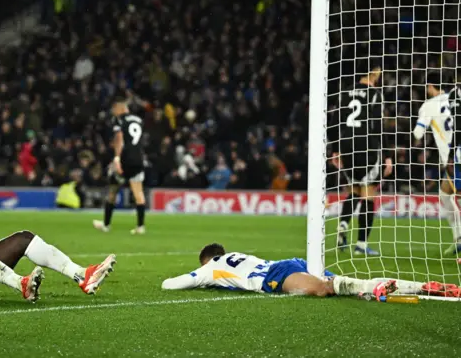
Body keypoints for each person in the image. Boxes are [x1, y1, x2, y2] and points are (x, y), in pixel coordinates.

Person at [161, 243, 460, 299]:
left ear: (208, 260)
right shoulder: (233, 257)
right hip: (291, 264)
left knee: (324, 289)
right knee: (343, 286)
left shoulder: (211, 268)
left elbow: (171, 285)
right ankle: (421, 286)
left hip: (276, 277)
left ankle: (410, 287)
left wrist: (198, 279)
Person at [328, 67, 392, 255]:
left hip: (347, 147)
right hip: (367, 147)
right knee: (368, 194)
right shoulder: (375, 94)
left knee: (354, 190)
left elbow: (334, 124)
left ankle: (343, 223)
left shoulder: (345, 93)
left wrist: (335, 150)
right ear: (373, 72)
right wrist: (387, 155)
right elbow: (377, 125)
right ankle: (361, 245)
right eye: (379, 70)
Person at [413, 75, 461, 255]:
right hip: (455, 156)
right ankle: (458, 237)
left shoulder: (428, 105)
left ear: (430, 86)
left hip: (454, 157)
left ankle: (459, 236)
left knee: (451, 195)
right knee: (445, 193)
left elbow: (418, 133)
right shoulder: (454, 98)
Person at [93, 97, 147, 234]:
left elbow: (119, 138)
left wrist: (117, 158)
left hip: (125, 160)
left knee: (112, 191)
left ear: (120, 107)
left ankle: (106, 224)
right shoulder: (139, 120)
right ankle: (140, 227)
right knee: (139, 194)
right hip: (139, 159)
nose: (113, 112)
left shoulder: (119, 120)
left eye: (114, 109)